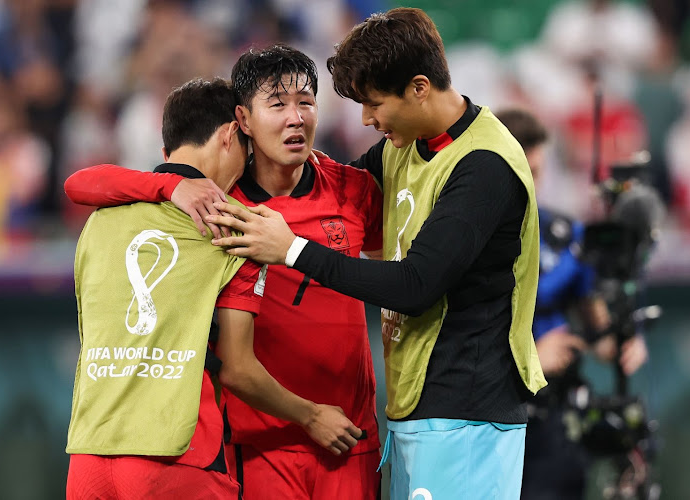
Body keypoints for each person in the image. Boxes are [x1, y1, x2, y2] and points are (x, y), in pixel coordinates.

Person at [203, 8, 547, 500]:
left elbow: (415, 286)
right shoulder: (403, 146)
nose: (366, 119)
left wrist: (293, 250)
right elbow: (324, 189)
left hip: (469, 408)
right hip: (415, 411)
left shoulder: (484, 165)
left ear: (419, 88)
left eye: (374, 103)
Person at [63, 45, 383, 500]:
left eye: (306, 102)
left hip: (349, 441)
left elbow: (401, 269)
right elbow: (81, 183)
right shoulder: (218, 211)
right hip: (258, 448)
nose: (296, 117)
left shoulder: (352, 190)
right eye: (278, 104)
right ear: (242, 122)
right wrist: (173, 184)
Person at [496, 107, 649, 499]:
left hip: (558, 416)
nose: (530, 182)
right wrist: (530, 357)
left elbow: (596, 323)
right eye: (520, 168)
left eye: (538, 170)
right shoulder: (470, 238)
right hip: (497, 415)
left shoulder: (566, 234)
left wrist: (622, 342)